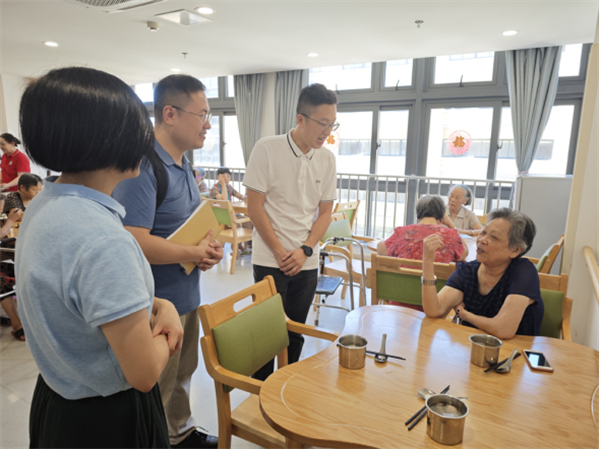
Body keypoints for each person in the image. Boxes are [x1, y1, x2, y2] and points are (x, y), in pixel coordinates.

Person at [16, 66, 184, 448]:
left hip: (56, 399)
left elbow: (74, 298)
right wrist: (170, 325)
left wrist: (157, 303)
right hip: (107, 418)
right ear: (105, 139)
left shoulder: (43, 204)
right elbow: (144, 373)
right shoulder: (104, 240)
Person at [113, 74, 222, 449]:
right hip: (156, 305)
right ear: (170, 114)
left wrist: (207, 250)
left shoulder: (184, 164)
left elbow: (186, 227)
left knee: (182, 374)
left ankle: (181, 433)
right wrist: (193, 253)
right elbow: (134, 239)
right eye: (202, 115)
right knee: (157, 388)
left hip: (186, 294)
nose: (208, 125)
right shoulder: (144, 167)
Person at [244, 83, 338, 380]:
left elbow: (325, 212)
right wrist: (280, 251)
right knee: (265, 335)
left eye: (332, 124)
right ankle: (260, 396)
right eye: (322, 123)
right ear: (300, 119)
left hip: (306, 261)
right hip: (270, 259)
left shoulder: (327, 159)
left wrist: (306, 250)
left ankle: (285, 391)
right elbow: (254, 207)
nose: (327, 131)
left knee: (295, 332)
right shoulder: (266, 148)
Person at [422, 208, 543, 339]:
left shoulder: (524, 272)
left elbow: (504, 329)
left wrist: (465, 315)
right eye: (483, 232)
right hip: (472, 347)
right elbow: (435, 310)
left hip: (515, 349)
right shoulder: (467, 271)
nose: (482, 240)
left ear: (515, 250)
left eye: (494, 237)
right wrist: (427, 262)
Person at [377, 195, 466, 310]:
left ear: (418, 214)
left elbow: (381, 249)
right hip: (435, 305)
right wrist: (451, 225)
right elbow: (463, 254)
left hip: (399, 302)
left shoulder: (402, 231)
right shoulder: (451, 235)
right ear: (441, 217)